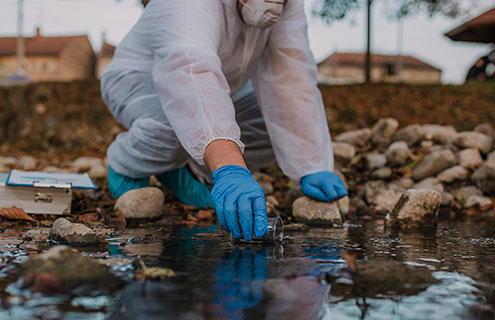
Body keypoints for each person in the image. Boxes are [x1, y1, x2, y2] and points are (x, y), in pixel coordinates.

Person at [101, 0, 348, 241]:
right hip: (139, 80)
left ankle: (187, 169)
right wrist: (230, 167)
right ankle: (127, 164)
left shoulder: (289, 5)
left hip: (222, 84)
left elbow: (290, 75)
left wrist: (310, 164)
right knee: (178, 123)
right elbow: (190, 73)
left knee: (272, 125)